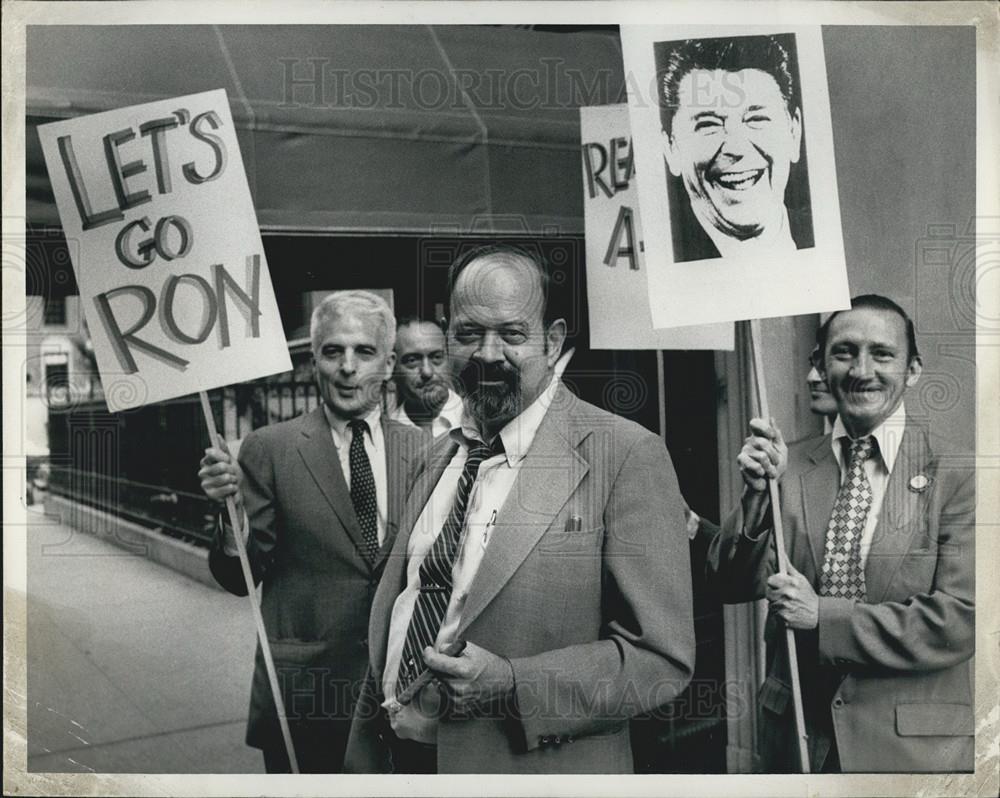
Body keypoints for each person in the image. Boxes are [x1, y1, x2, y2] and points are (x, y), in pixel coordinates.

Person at [345, 244, 696, 774]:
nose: (487, 354)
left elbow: (662, 661)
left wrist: (513, 685)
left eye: (512, 334)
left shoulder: (625, 455)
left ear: (552, 342)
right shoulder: (436, 458)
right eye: (468, 333)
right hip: (400, 762)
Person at [707, 294, 974, 772]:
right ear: (820, 365)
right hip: (801, 742)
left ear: (912, 369)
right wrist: (754, 499)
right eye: (844, 352)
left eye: (883, 354)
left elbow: (960, 620)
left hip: (909, 752)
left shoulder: (960, 474)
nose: (861, 370)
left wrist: (823, 617)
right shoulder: (784, 465)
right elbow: (728, 583)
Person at [198, 291, 424, 773]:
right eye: (332, 351)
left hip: (401, 696)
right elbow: (240, 577)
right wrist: (230, 513)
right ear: (312, 363)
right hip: (304, 697)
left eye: (364, 352)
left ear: (387, 365)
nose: (348, 366)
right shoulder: (269, 449)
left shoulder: (426, 450)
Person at [657, 34, 814, 262]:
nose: (736, 148)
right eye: (709, 125)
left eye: (756, 119)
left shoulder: (830, 242)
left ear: (794, 132)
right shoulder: (662, 258)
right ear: (671, 149)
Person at [390, 316, 463, 438]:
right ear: (392, 368)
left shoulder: (479, 422)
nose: (427, 372)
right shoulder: (383, 437)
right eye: (412, 360)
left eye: (436, 357)